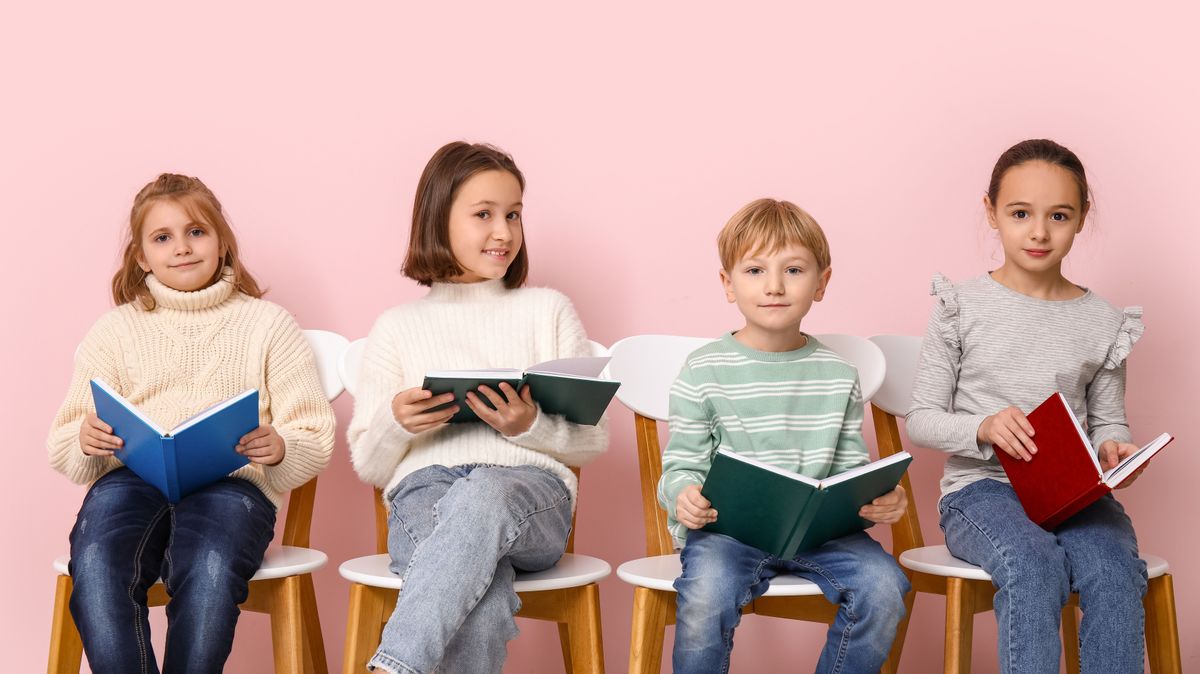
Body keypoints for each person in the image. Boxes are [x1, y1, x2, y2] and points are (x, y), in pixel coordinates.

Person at [48, 173, 335, 673]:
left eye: (196, 232)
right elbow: (66, 444)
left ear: (222, 241)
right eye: (162, 238)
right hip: (131, 480)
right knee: (96, 564)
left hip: (232, 486)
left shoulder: (268, 325)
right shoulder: (114, 330)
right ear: (142, 257)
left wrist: (281, 446)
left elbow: (312, 431)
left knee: (206, 567)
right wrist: (86, 440)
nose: (181, 248)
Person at [346, 141, 608, 673]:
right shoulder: (396, 328)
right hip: (425, 488)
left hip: (529, 493)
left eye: (513, 215)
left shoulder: (547, 311)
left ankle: (395, 664)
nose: (504, 232)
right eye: (484, 215)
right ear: (438, 220)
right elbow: (369, 465)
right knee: (481, 602)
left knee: (484, 491)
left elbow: (593, 440)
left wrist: (530, 425)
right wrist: (397, 426)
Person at [907, 138, 1149, 674]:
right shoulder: (960, 307)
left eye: (1058, 215)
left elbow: (1108, 419)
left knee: (1113, 571)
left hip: (1072, 493)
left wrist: (1114, 450)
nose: (1039, 232)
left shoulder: (1105, 322)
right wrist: (984, 427)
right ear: (991, 211)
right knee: (1033, 564)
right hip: (982, 491)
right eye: (1020, 213)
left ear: (1082, 217)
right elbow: (922, 418)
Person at [661, 197, 910, 673]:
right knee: (706, 597)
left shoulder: (838, 374)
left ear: (822, 282)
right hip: (728, 534)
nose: (774, 286)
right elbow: (682, 466)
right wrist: (684, 495)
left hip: (822, 536)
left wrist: (880, 498)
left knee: (884, 587)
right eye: (754, 270)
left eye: (793, 270)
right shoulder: (702, 370)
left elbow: (850, 469)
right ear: (727, 284)